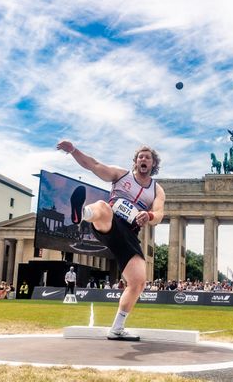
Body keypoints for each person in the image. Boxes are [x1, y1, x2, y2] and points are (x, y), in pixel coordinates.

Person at [57, 140, 165, 341]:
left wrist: (148, 216)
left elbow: (159, 214)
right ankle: (82, 213)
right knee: (102, 207)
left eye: (147, 157)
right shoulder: (121, 175)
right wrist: (73, 150)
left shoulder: (157, 189)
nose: (143, 159)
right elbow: (94, 165)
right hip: (110, 222)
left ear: (152, 164)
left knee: (138, 282)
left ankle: (116, 328)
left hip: (129, 235)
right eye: (140, 156)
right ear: (135, 162)